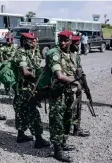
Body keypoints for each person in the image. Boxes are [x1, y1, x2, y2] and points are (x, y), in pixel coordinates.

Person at [46, 30, 83, 162]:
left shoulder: (73, 55)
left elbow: (79, 72)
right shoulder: (55, 54)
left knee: (68, 119)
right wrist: (76, 83)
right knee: (57, 121)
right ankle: (57, 150)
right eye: (60, 40)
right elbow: (59, 76)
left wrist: (80, 84)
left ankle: (63, 143)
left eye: (65, 40)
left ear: (71, 40)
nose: (62, 43)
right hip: (57, 94)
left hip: (69, 93)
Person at [12, 32, 50, 149]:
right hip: (24, 88)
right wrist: (38, 81)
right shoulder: (21, 53)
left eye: (34, 40)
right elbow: (25, 72)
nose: (33, 42)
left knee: (21, 111)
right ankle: (38, 140)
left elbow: (35, 67)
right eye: (30, 40)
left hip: (25, 88)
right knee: (32, 113)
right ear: (24, 41)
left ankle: (21, 135)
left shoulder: (29, 52)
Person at [70, 35, 90, 137]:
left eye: (79, 44)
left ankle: (76, 128)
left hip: (77, 85)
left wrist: (86, 87)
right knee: (70, 108)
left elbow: (81, 71)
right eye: (76, 44)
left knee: (78, 107)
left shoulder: (76, 56)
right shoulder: (65, 55)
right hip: (69, 86)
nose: (78, 47)